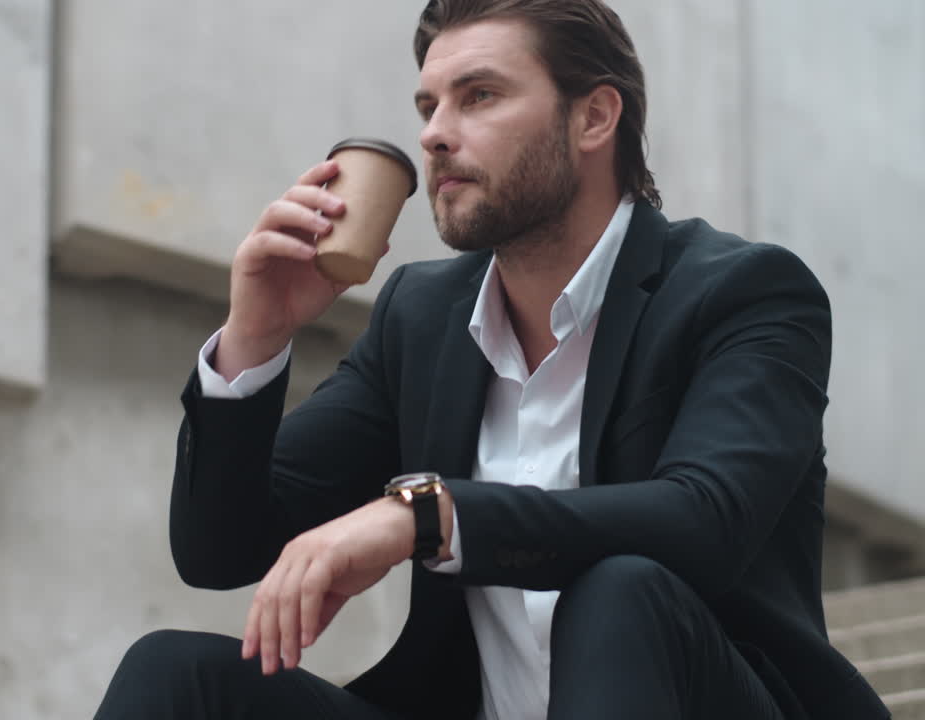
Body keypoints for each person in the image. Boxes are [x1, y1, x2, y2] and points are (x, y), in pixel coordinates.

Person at [94, 1, 889, 718]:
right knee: (174, 675)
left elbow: (702, 522)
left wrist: (426, 518)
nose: (435, 133)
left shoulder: (743, 293)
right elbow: (220, 551)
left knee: (621, 586)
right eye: (427, 106)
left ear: (594, 118)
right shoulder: (422, 317)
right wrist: (255, 336)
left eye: (478, 96)